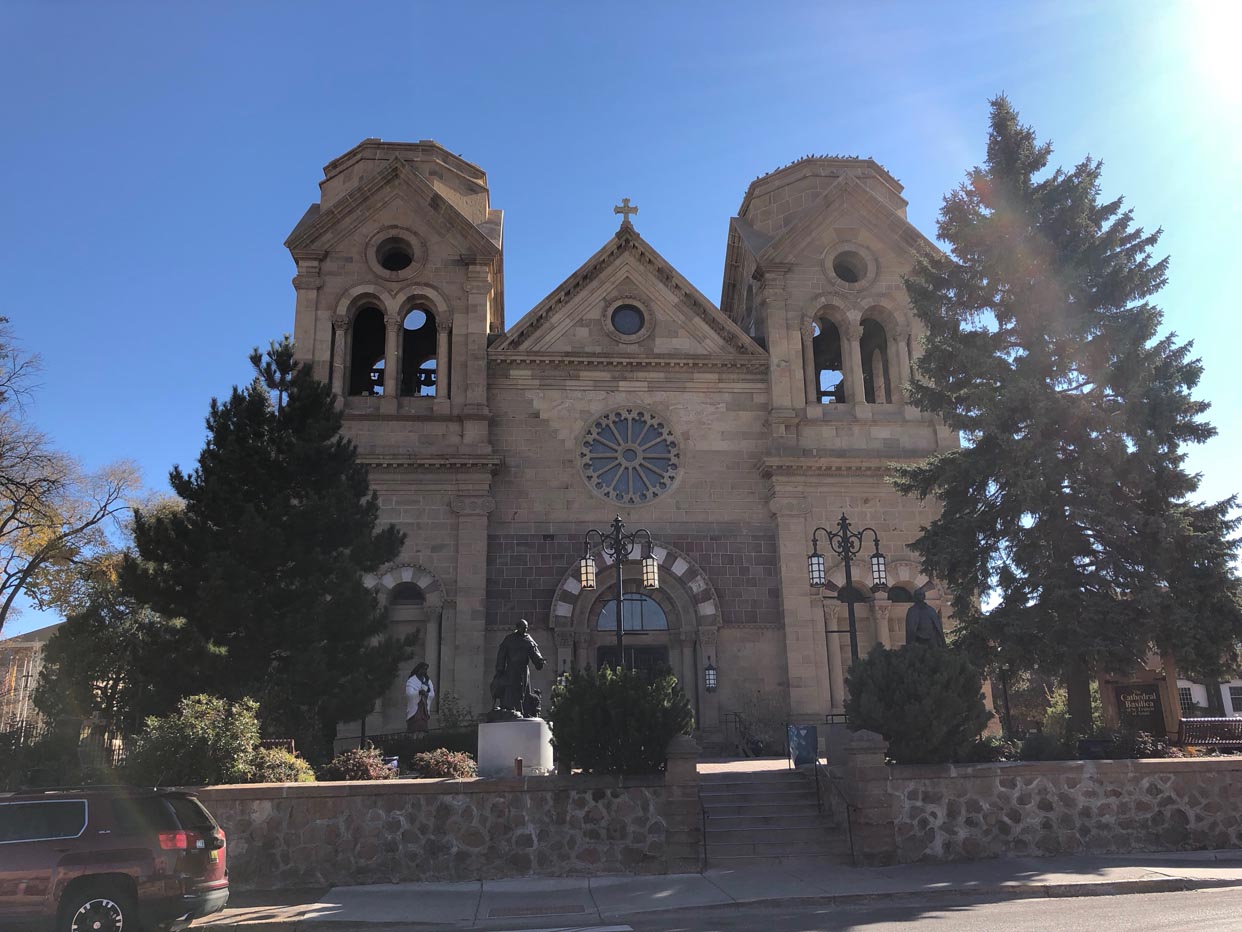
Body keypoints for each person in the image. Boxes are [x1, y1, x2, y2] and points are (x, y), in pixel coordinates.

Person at [490, 619, 546, 718]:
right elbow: (502, 654)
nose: (525, 630)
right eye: (523, 628)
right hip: (512, 669)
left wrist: (539, 661)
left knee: (524, 691)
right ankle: (510, 708)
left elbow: (534, 652)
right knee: (511, 688)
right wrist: (500, 668)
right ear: (518, 627)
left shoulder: (528, 639)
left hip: (523, 670)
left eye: (526, 628)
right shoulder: (509, 639)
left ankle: (525, 710)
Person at [405, 662, 435, 733]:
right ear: (419, 669)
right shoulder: (411, 680)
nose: (424, 671)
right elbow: (409, 693)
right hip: (416, 705)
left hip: (424, 705)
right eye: (423, 669)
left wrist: (427, 694)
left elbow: (432, 693)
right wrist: (418, 692)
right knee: (415, 724)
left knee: (423, 724)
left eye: (426, 669)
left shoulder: (428, 680)